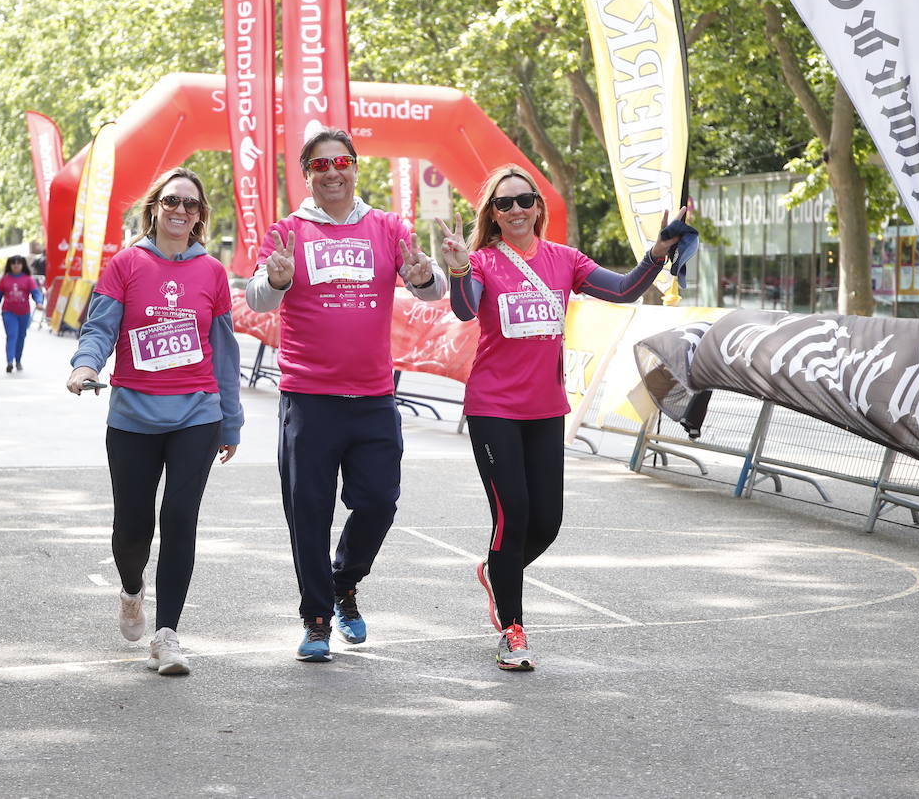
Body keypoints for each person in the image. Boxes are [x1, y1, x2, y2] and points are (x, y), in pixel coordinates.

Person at [440, 165, 691, 672]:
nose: (515, 210)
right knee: (511, 516)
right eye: (504, 204)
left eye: (524, 200)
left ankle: (497, 571)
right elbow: (467, 312)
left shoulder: (563, 260)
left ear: (537, 206)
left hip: (545, 408)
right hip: (493, 408)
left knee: (547, 522)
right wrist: (460, 269)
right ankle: (513, 630)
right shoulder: (484, 262)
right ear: (492, 213)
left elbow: (622, 290)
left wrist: (658, 253)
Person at [246, 128, 445, 662]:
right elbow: (257, 298)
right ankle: (316, 620)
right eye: (320, 166)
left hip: (375, 398)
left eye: (341, 162)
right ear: (307, 174)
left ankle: (344, 583)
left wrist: (428, 278)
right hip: (309, 398)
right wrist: (278, 279)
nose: (332, 172)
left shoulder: (387, 227)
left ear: (356, 167)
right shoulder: (287, 231)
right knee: (307, 512)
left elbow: (430, 287)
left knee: (379, 502)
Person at [66, 167, 242, 676]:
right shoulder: (124, 264)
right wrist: (85, 366)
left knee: (181, 520)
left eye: (190, 205)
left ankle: (168, 636)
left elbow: (225, 354)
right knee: (133, 526)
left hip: (197, 414)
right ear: (155, 207)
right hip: (133, 416)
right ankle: (130, 590)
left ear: (200, 215)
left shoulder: (211, 272)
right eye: (171, 202)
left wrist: (231, 422)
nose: (180, 211)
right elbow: (100, 328)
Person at [0, 255, 43, 372]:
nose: (16, 265)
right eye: (13, 263)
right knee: (12, 335)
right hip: (8, 312)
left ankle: (18, 360)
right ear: (10, 265)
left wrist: (39, 302)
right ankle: (10, 361)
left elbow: (36, 292)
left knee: (21, 337)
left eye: (18, 263)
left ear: (23, 265)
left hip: (24, 313)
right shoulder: (5, 279)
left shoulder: (28, 279)